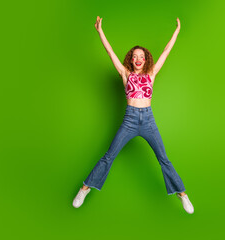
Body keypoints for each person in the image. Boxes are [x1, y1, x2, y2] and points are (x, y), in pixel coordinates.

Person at [73, 16, 194, 214]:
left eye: (141, 57)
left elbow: (166, 51)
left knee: (163, 159)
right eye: (134, 56)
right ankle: (84, 189)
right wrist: (100, 31)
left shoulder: (152, 73)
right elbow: (110, 51)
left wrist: (176, 32)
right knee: (108, 156)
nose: (138, 59)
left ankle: (182, 194)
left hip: (148, 120)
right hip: (129, 120)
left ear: (146, 60)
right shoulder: (125, 74)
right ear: (131, 59)